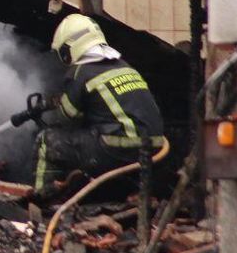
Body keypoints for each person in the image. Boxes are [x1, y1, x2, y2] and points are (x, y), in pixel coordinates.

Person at [33, 14, 165, 194]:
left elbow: (66, 119)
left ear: (70, 48)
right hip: (153, 147)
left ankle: (42, 197)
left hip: (119, 147)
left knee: (48, 140)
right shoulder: (124, 66)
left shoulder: (80, 71)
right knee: (87, 140)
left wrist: (56, 105)